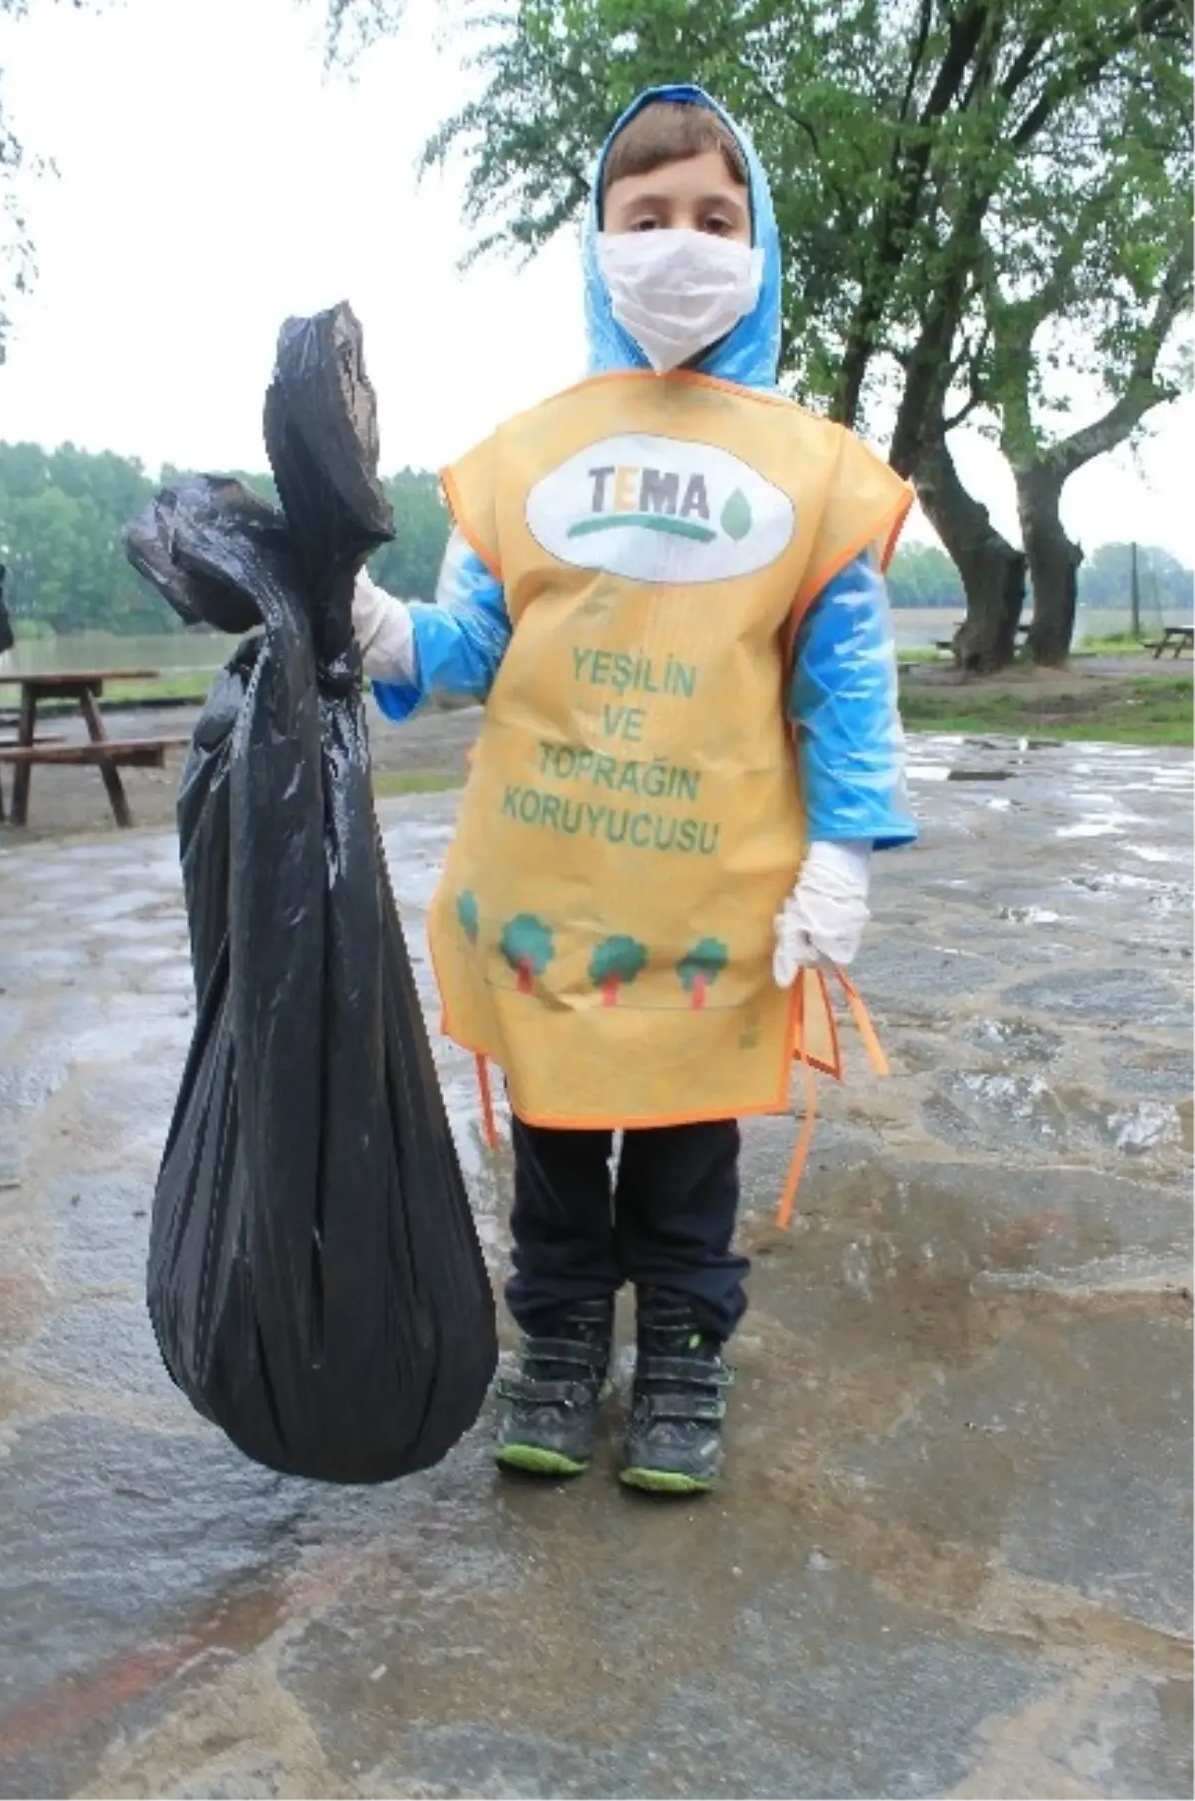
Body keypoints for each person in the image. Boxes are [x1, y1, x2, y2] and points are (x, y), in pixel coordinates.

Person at [352, 86, 917, 1494]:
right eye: (647, 215)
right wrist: (367, 624)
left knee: (683, 1153)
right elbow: (465, 647)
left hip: (715, 895)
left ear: (760, 242)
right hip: (547, 894)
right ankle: (555, 1348)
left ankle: (679, 1353)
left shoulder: (811, 471)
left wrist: (843, 849)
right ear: (599, 242)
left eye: (715, 218)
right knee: (556, 1140)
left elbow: (849, 681)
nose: (681, 245)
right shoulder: (533, 452)